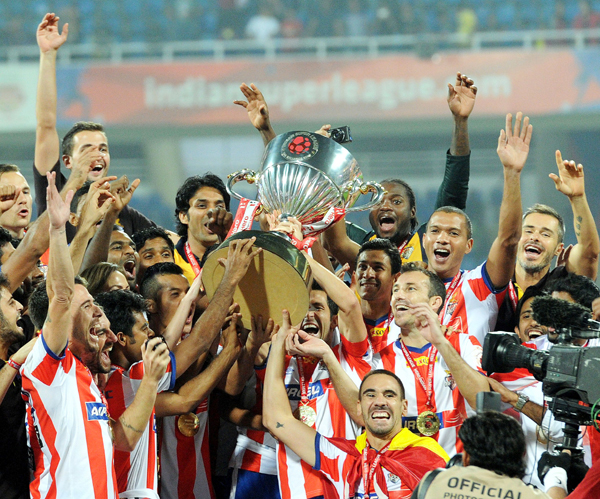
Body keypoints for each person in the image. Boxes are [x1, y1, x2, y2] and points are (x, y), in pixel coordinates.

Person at [21, 172, 170, 499]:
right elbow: (61, 296)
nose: (98, 312)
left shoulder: (84, 378)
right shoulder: (48, 369)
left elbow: (124, 440)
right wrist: (59, 230)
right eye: (88, 306)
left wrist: (149, 382)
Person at [263, 317, 449, 499]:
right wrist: (279, 342)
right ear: (359, 407)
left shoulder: (427, 456)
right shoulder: (342, 455)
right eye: (370, 394)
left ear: (404, 407)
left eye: (389, 395)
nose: (380, 401)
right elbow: (277, 420)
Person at [33, 13, 155, 241]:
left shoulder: (120, 210)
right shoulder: (54, 192)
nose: (97, 155)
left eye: (103, 149)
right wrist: (48, 55)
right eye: (88, 148)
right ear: (67, 161)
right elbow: (46, 125)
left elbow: (172, 242)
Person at [345, 263, 489, 456]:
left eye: (410, 288)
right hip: (404, 475)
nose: (399, 296)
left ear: (434, 302)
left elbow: (483, 401)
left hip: (456, 474)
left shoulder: (464, 344)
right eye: (395, 290)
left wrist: (440, 343)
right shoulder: (380, 360)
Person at [423, 112, 531, 344]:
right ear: (424, 240)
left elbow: (509, 240)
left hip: (468, 380)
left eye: (453, 233)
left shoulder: (479, 285)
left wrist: (512, 173)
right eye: (435, 231)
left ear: (469, 245)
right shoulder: (403, 285)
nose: (442, 238)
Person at [496, 150, 600, 331]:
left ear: (558, 249)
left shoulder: (562, 286)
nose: (534, 237)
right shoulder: (494, 279)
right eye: (528, 231)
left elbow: (589, 252)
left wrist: (577, 198)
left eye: (545, 234)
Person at [413, 411, 552, 499]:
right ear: (522, 456)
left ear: (466, 457)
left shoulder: (432, 481)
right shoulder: (530, 496)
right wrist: (557, 477)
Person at [0, 272, 36, 499]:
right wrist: (15, 362)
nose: (20, 307)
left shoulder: (14, 368)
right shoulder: (13, 364)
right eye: (11, 302)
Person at [174, 174, 233, 283]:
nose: (212, 212)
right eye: (202, 206)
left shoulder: (238, 260)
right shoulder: (171, 261)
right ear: (183, 216)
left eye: (219, 207)